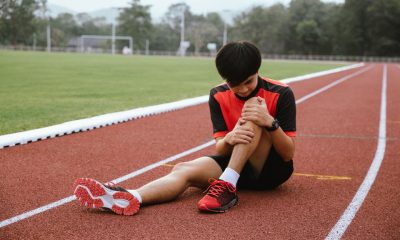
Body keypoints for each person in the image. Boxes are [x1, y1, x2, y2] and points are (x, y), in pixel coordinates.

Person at [73, 41, 296, 216]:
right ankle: (131, 197)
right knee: (183, 169)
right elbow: (221, 149)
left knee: (254, 110)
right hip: (236, 166)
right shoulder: (217, 94)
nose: (243, 89)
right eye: (234, 84)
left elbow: (288, 154)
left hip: (270, 171)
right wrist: (229, 138)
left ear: (258, 70)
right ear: (224, 80)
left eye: (248, 81)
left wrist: (270, 122)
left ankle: (227, 185)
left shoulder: (281, 93)